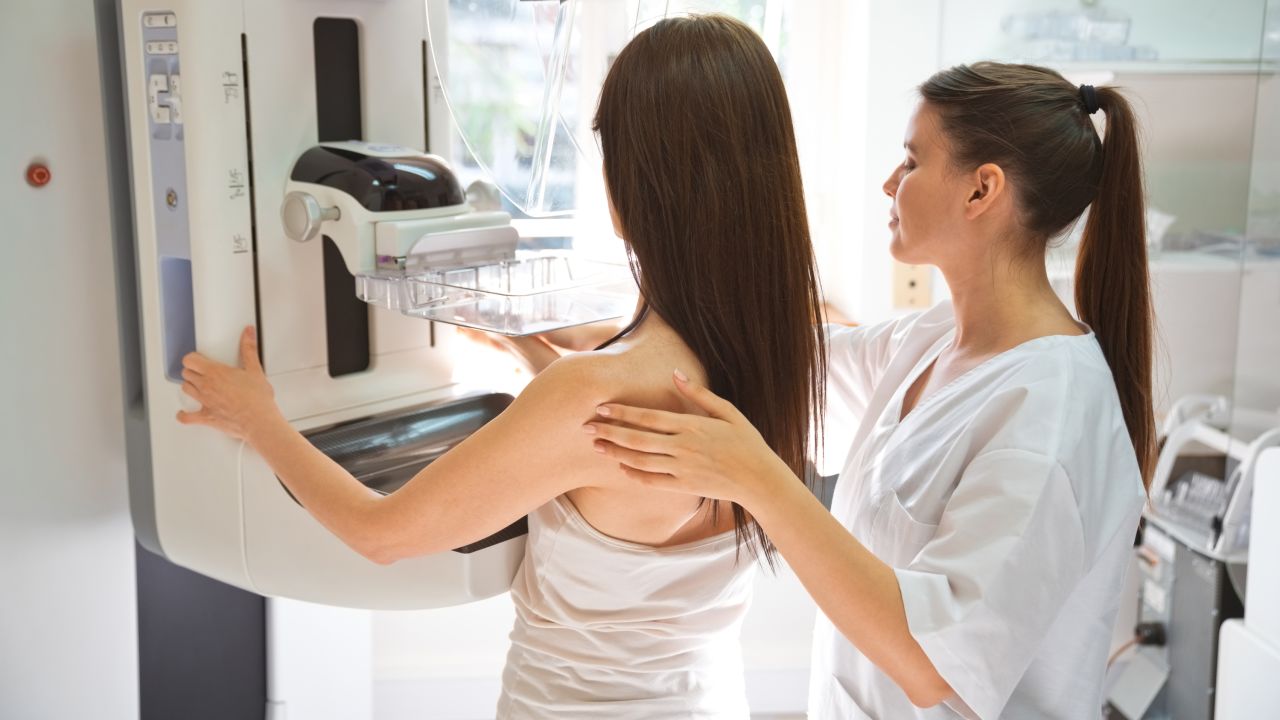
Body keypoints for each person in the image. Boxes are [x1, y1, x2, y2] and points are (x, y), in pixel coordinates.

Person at [173, 14, 825, 719]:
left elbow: (381, 533)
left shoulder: (591, 393)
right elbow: (623, 434)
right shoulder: (772, 355)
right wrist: (524, 344)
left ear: (636, 186)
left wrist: (260, 419)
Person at [588, 62, 1154, 719]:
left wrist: (760, 479)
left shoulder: (1048, 417)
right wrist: (563, 338)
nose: (889, 183)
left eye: (911, 162)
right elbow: (788, 357)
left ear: (982, 190)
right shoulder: (936, 342)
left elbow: (931, 666)